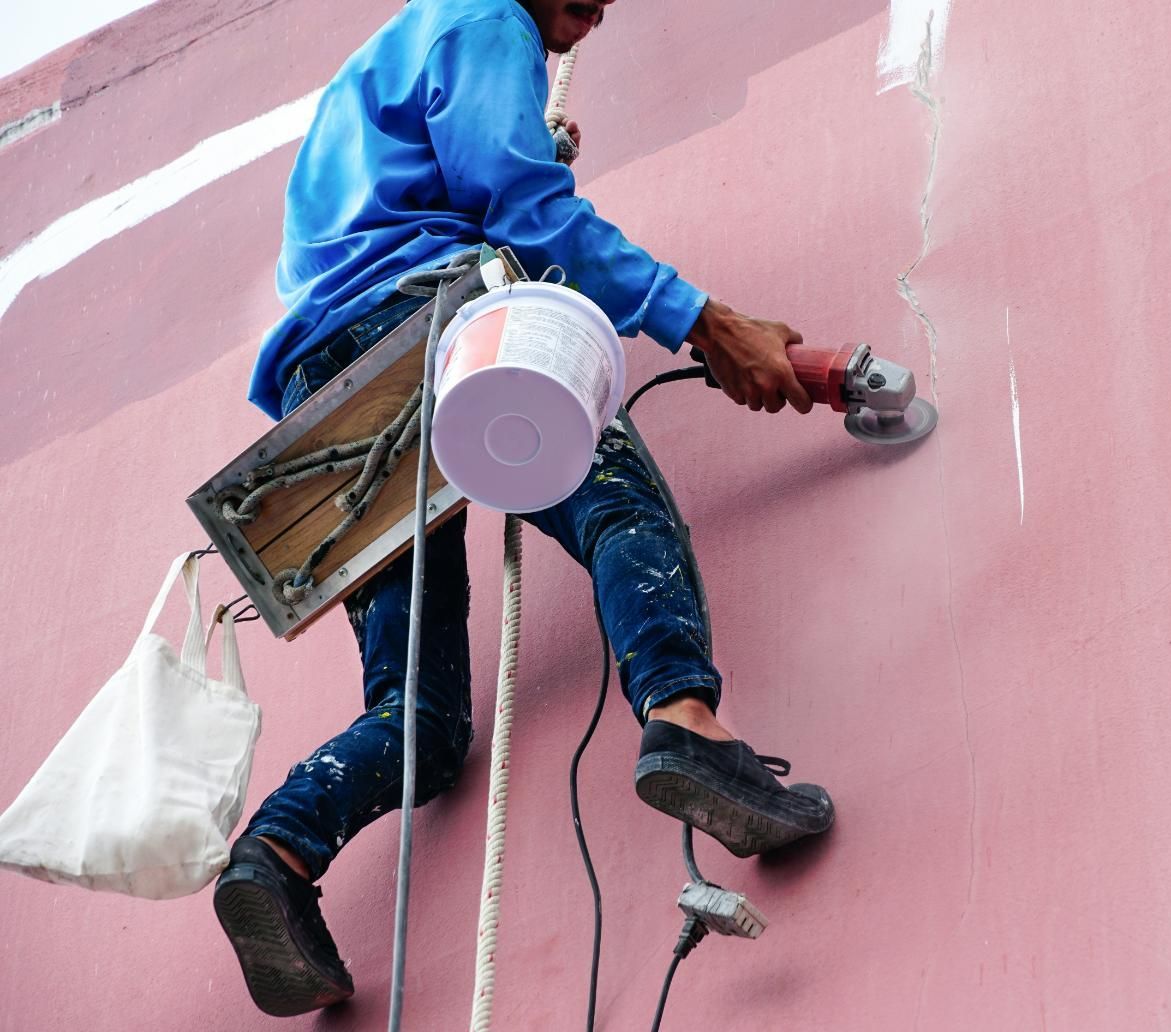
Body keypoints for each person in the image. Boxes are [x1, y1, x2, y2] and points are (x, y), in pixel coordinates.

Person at [213, 0, 834, 1016]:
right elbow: (528, 213)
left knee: (418, 718)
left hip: (331, 399)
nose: (599, 13)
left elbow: (450, 180)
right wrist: (705, 321)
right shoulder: (484, 18)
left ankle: (276, 854)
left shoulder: (389, 61)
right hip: (433, 319)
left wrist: (528, 144)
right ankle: (684, 721)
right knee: (620, 508)